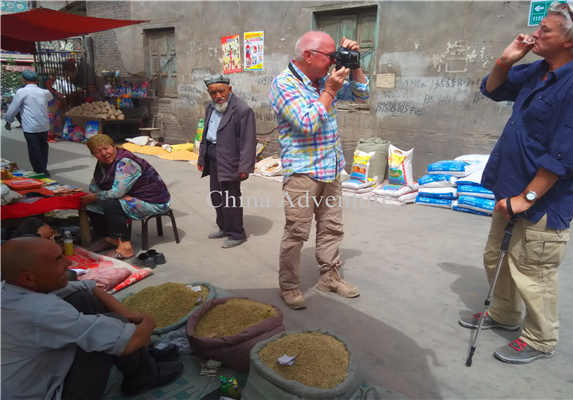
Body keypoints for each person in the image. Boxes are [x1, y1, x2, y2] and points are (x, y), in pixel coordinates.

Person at [458, 1, 573, 364]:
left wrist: (527, 197)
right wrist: (506, 60)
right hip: (510, 190)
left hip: (542, 201)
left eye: (546, 31)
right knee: (497, 258)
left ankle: (540, 338)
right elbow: (493, 89)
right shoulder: (542, 69)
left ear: (571, 40)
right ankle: (504, 314)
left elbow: (567, 154)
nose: (535, 34)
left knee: (532, 271)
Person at [1, 237, 183, 399]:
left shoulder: (10, 288)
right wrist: (147, 321)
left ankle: (143, 362)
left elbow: (86, 286)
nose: (68, 262)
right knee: (105, 334)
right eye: (58, 259)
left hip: (34, 374)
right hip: (44, 392)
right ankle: (143, 377)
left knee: (83, 300)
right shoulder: (40, 311)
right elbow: (131, 341)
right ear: (28, 278)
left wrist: (128, 313)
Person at [269, 31, 370, 309]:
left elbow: (363, 94)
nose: (333, 61)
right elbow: (307, 122)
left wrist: (355, 64)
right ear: (308, 56)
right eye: (330, 56)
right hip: (302, 173)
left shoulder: (325, 78)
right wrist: (330, 91)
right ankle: (288, 286)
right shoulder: (284, 84)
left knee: (331, 228)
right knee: (297, 232)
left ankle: (330, 277)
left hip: (331, 168)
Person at [80, 134, 171, 259]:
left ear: (113, 146)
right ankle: (111, 238)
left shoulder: (126, 163)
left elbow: (117, 193)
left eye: (106, 148)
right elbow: (95, 185)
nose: (104, 153)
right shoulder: (102, 163)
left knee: (110, 202)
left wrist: (96, 196)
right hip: (130, 196)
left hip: (153, 201)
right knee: (91, 204)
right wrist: (92, 196)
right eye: (98, 151)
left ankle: (125, 247)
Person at [197, 74, 257, 249]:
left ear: (229, 90)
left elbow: (248, 141)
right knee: (216, 195)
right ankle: (223, 227)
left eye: (221, 91)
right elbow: (205, 134)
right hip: (212, 156)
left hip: (231, 159)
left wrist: (245, 167)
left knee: (230, 198)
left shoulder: (242, 110)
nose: (217, 96)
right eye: (213, 93)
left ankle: (237, 233)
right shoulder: (211, 107)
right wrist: (202, 157)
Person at [4, 70, 54, 176]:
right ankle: (43, 168)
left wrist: (8, 121)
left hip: (30, 126)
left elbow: (13, 108)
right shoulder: (44, 92)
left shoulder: (22, 92)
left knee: (34, 148)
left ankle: (39, 170)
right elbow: (50, 98)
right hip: (44, 125)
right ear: (36, 80)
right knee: (43, 148)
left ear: (24, 80)